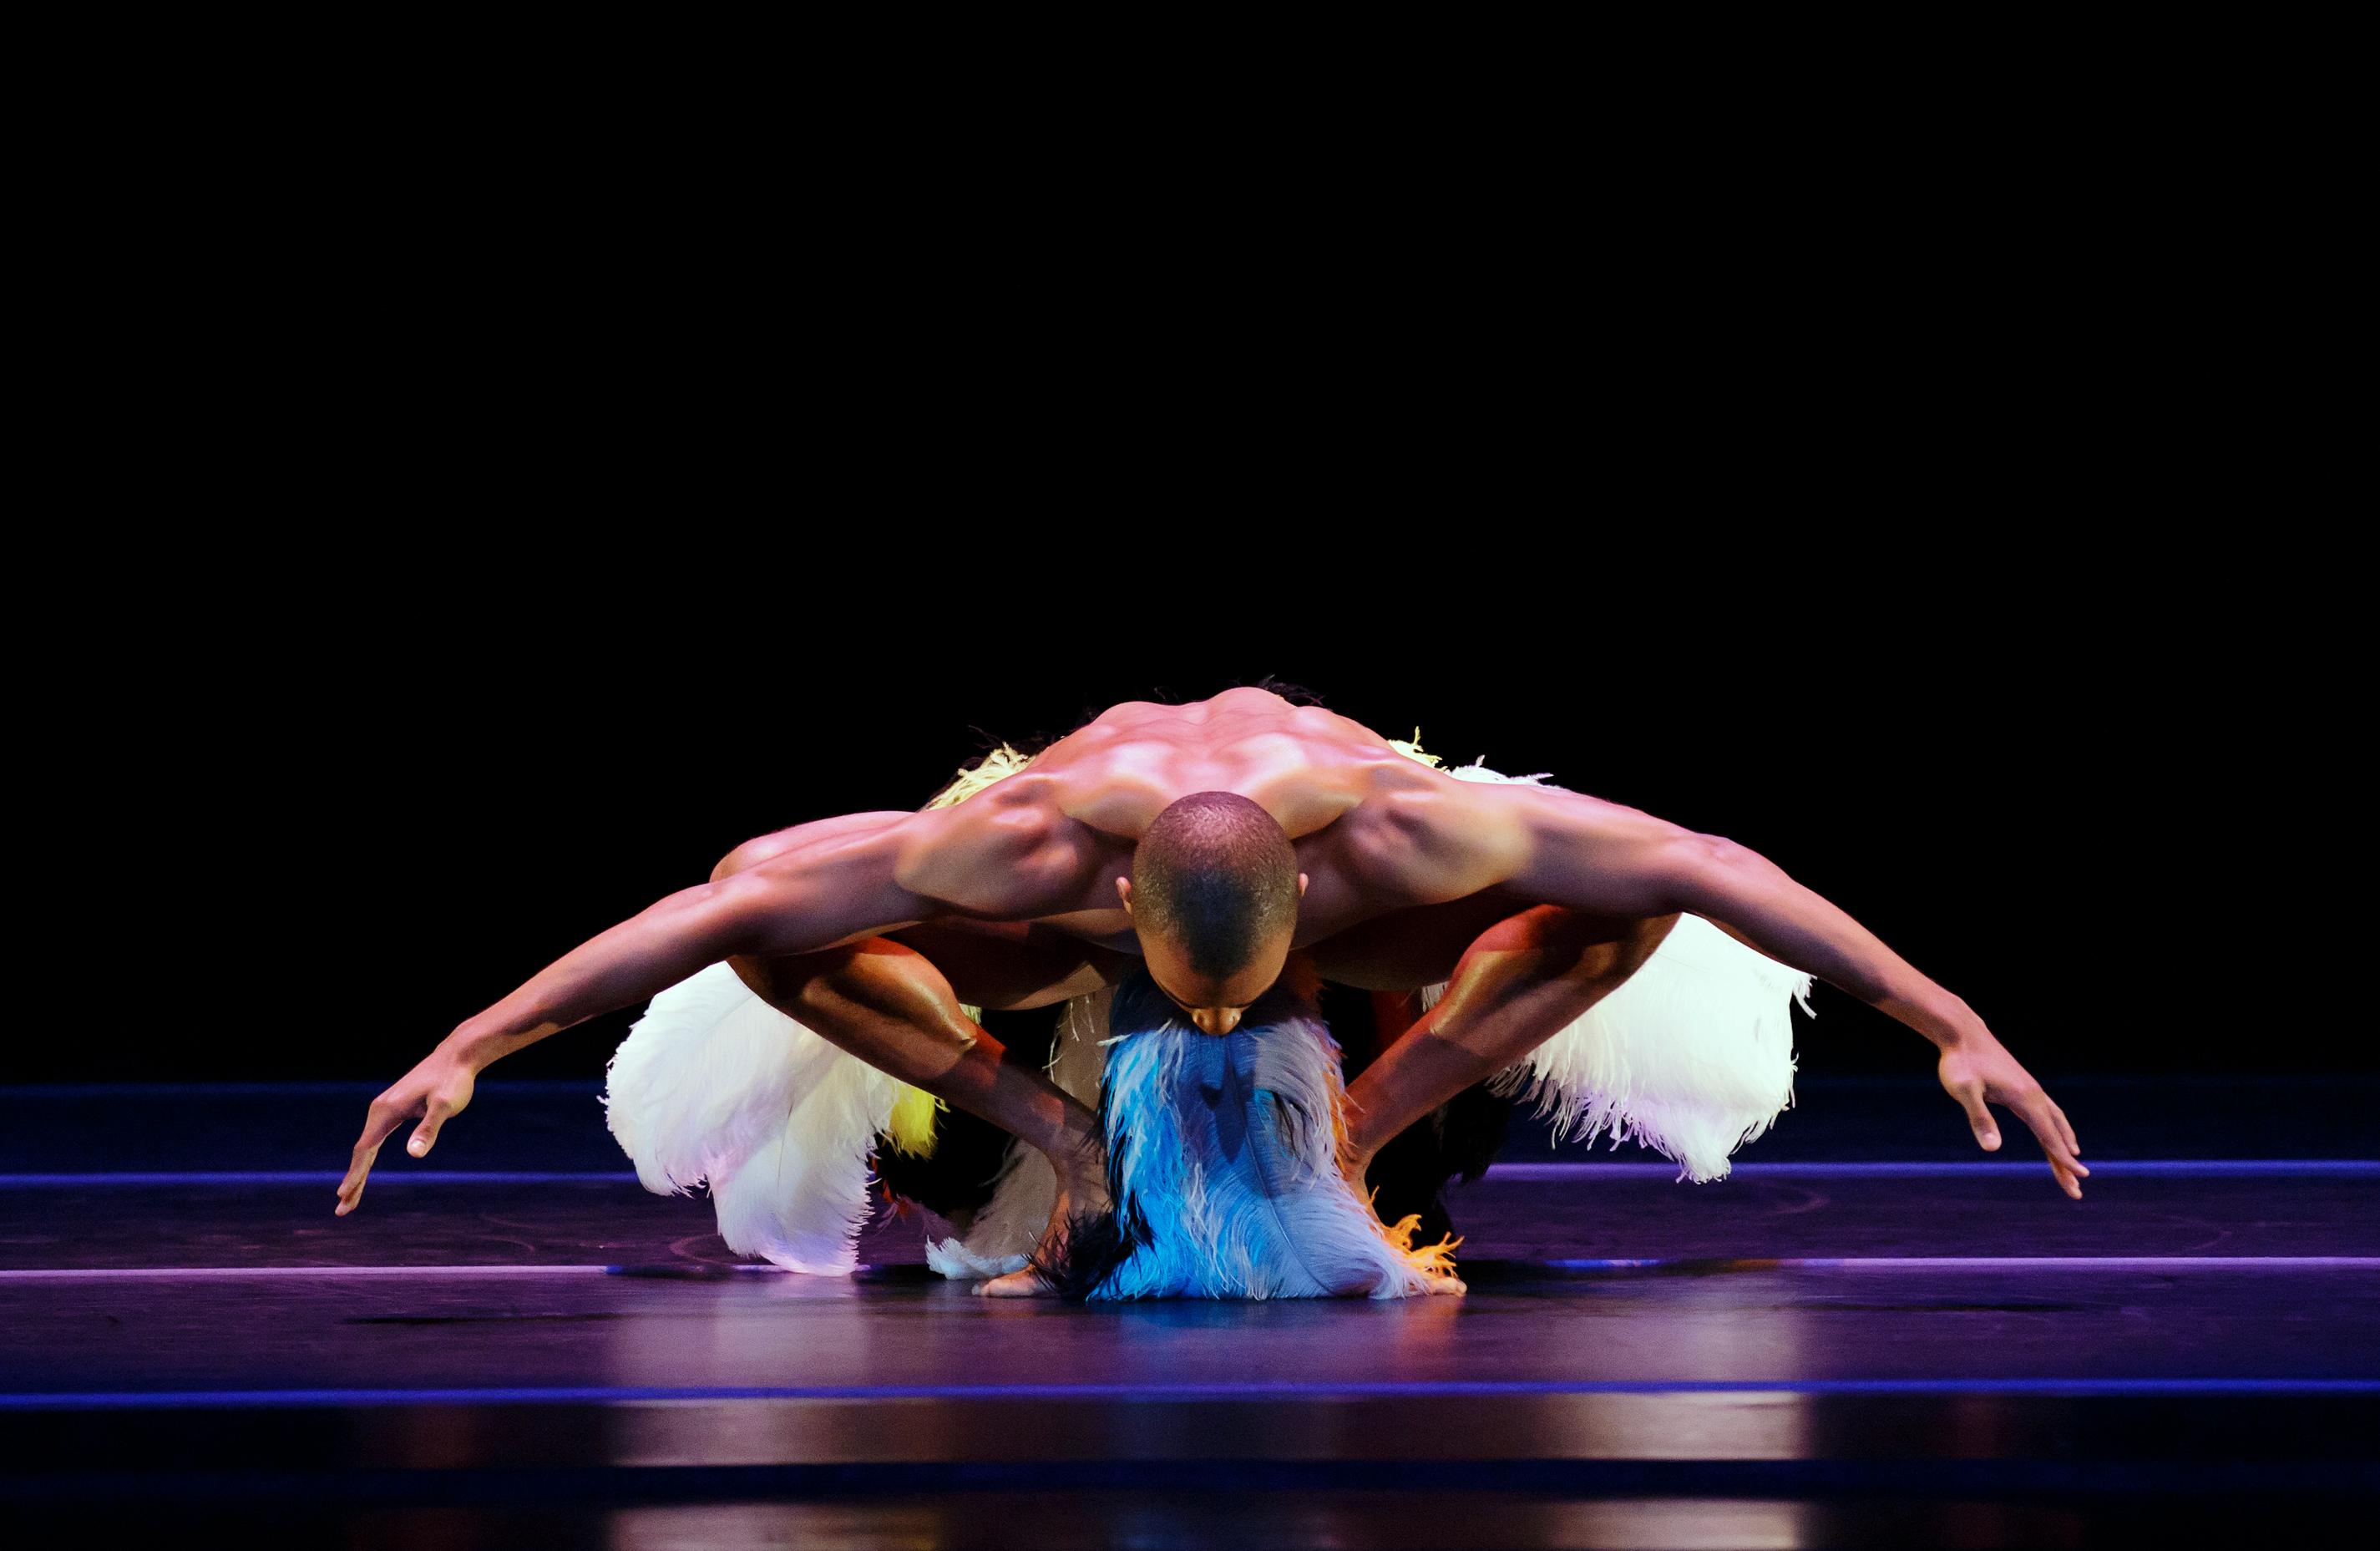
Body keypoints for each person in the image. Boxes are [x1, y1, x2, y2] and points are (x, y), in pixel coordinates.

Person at [338, 685, 2085, 1296]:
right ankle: (1052, 1138)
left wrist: (1953, 1019)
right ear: (1121, 912)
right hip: (1067, 907)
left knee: (1623, 917)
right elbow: (715, 902)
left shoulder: (1415, 830)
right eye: (1204, 1000)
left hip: (1363, 883)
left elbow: (1715, 865)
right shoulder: (1018, 849)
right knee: (774, 928)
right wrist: (468, 1043)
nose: (1226, 1027)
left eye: (1257, 999)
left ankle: (1356, 1125)